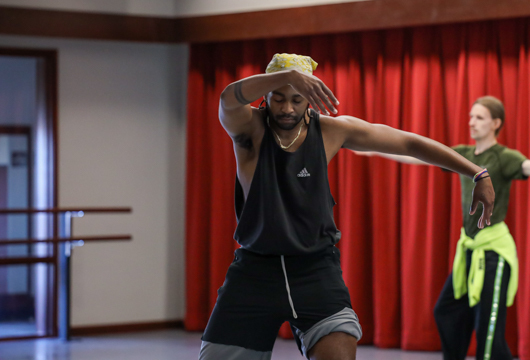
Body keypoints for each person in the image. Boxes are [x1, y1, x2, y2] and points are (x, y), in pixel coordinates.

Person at [198, 54, 497, 360]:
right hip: (254, 272)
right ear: (266, 96)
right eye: (278, 98)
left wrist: (477, 171)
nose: (287, 108)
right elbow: (228, 98)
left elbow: (408, 143)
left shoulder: (331, 131)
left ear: (310, 99)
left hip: (314, 270)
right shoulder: (249, 129)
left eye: (297, 99)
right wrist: (284, 76)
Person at [354, 95, 530, 360]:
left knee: (488, 331)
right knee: (446, 312)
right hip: (468, 249)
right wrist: (374, 148)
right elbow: (419, 156)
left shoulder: (503, 157)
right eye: (470, 116)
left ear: (495, 123)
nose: (472, 122)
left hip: (493, 252)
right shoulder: (465, 155)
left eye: (479, 117)